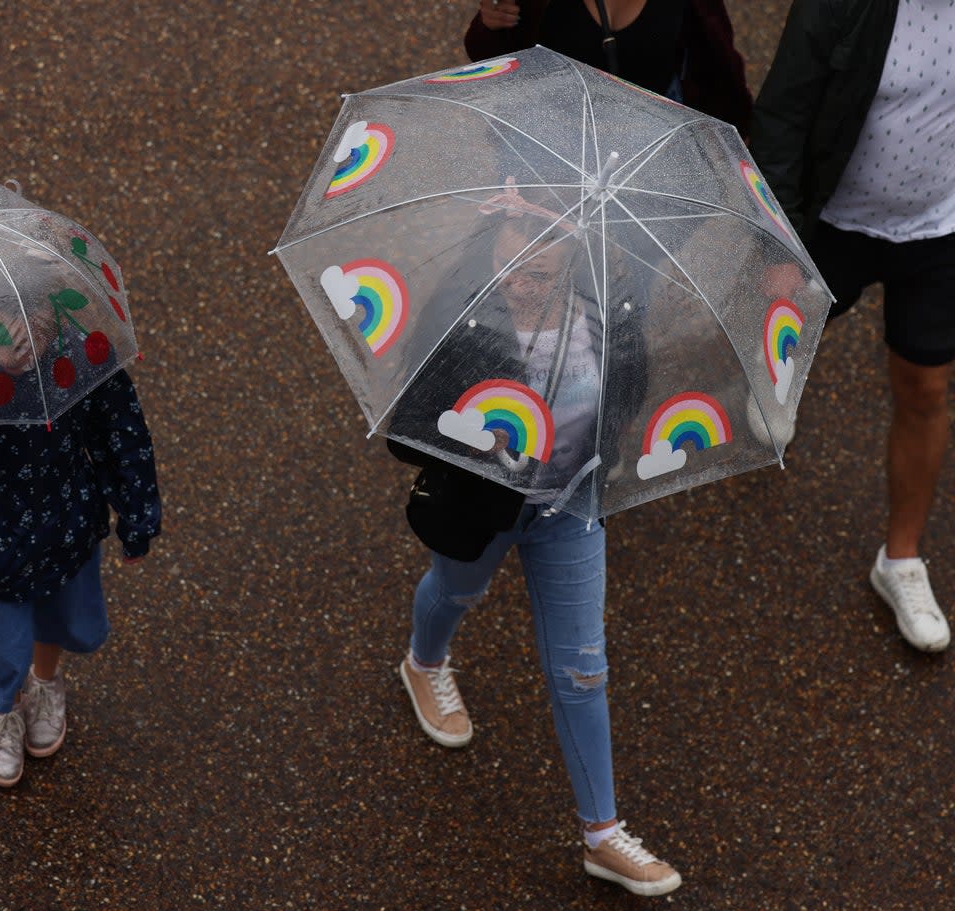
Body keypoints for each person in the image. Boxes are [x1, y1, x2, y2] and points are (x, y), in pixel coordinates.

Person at [388, 188, 680, 897]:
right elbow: (404, 428)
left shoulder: (609, 312)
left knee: (583, 666)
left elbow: (630, 390)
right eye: (508, 263)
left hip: (570, 503)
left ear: (574, 261)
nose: (517, 283)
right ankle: (424, 663)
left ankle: (602, 835)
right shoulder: (463, 316)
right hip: (482, 509)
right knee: (459, 588)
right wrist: (474, 435)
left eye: (538, 274)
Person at [749, 0, 954, 652]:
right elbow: (781, 116)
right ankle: (767, 383)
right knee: (787, 338)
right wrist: (777, 246)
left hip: (938, 231)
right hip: (832, 224)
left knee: (925, 389)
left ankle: (901, 560)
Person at [0, 299, 162, 787]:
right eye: (3, 330)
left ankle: (45, 683)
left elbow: (123, 437)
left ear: (53, 317)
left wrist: (137, 518)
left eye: (34, 327)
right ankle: (5, 707)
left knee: (64, 621)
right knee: (3, 646)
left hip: (65, 524)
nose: (20, 344)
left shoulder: (84, 358)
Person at [465, 0, 752, 135]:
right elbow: (494, 59)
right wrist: (490, 24)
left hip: (646, 153)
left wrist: (740, 139)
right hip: (549, 143)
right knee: (540, 250)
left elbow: (720, 72)